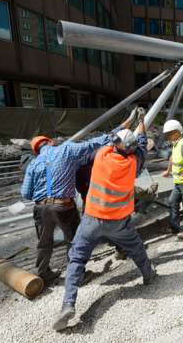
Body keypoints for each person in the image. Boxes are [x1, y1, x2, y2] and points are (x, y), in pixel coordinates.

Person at [53, 108, 155, 331]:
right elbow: (143, 141)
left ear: (115, 145)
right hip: (119, 220)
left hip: (92, 219)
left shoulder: (102, 155)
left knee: (77, 259)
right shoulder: (134, 164)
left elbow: (112, 135)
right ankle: (148, 275)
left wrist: (130, 118)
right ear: (131, 149)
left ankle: (68, 304)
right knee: (136, 247)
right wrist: (142, 123)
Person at [21, 108, 142, 283]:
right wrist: (129, 121)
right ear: (51, 142)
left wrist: (41, 196)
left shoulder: (33, 164)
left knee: (44, 243)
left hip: (40, 208)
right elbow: (100, 141)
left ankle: (43, 274)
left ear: (36, 151)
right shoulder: (66, 150)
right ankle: (78, 276)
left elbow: (25, 192)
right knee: (73, 242)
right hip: (64, 206)